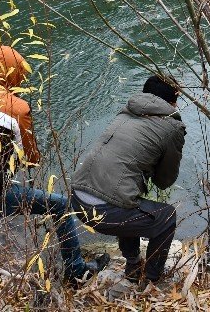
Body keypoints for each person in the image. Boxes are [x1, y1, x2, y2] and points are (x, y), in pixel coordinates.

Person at [0, 45, 108, 293]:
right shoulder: (17, 108)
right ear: (13, 73)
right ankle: (76, 270)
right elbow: (30, 157)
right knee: (61, 205)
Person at [71, 75, 186, 288]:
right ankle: (152, 281)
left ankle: (133, 266)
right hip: (105, 212)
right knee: (166, 216)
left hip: (76, 200)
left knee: (128, 198)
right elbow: (164, 181)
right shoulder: (172, 127)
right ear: (172, 102)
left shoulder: (125, 113)